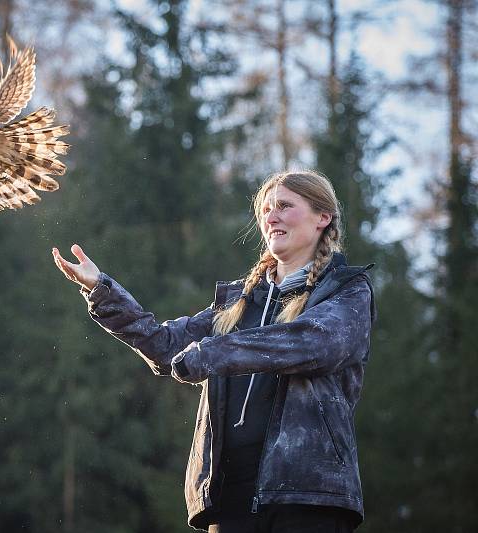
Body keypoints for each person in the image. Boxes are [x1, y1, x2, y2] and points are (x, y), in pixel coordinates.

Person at [52, 170, 375, 532]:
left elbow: (315, 342)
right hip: (228, 497)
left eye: (285, 205)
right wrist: (102, 290)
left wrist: (212, 352)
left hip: (307, 496)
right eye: (266, 209)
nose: (271, 216)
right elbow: (165, 344)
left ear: (323, 217)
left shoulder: (347, 290)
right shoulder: (239, 302)